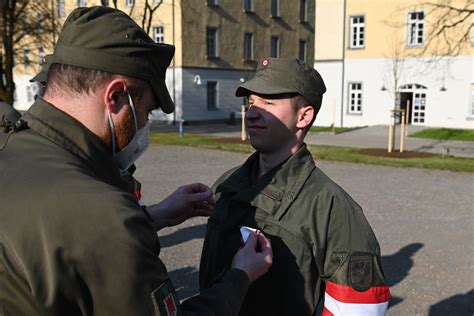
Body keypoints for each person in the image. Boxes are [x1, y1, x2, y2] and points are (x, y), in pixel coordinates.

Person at [0, 6, 273, 316]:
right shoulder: (106, 217)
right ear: (116, 97)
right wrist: (240, 275)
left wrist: (156, 215)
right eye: (146, 110)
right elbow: (94, 231)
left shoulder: (13, 144)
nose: (144, 124)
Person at [199, 58, 391, 315]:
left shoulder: (331, 207)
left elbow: (358, 308)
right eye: (252, 102)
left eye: (268, 102)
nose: (253, 112)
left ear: (304, 116)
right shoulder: (226, 184)